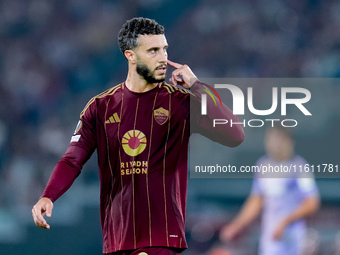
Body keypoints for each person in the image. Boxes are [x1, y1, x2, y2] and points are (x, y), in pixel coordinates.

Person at [32, 17, 245, 255]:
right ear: (130, 55)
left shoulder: (180, 103)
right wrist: (48, 196)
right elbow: (72, 159)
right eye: (153, 50)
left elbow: (234, 134)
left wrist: (197, 85)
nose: (163, 57)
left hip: (161, 236)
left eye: (164, 49)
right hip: (117, 238)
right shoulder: (100, 107)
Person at [220, 126, 319, 255]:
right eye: (271, 140)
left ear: (290, 142)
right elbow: (256, 200)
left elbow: (312, 203)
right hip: (269, 239)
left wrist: (285, 221)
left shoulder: (299, 167)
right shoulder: (262, 166)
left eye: (280, 140)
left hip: (291, 239)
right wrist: (236, 225)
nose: (275, 145)